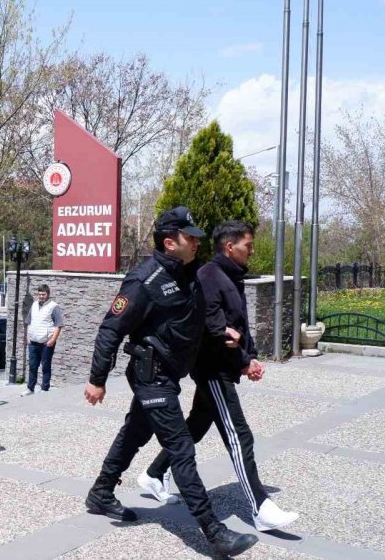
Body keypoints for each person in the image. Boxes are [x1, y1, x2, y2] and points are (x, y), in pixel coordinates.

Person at [83, 206, 258, 557]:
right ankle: (213, 531)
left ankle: (100, 493)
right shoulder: (144, 281)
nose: (196, 242)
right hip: (152, 377)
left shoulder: (188, 275)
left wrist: (222, 338)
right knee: (181, 448)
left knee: (135, 432)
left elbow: (193, 323)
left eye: (196, 237)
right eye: (189, 238)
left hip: (169, 375)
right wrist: (97, 379)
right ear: (169, 242)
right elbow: (110, 329)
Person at [139, 221, 299, 532]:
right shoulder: (209, 276)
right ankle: (260, 506)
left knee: (197, 425)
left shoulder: (231, 276)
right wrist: (242, 361)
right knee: (239, 435)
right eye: (247, 246)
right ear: (230, 246)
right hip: (212, 368)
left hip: (224, 365)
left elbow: (238, 324)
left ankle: (154, 474)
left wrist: (248, 357)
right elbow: (214, 328)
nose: (252, 251)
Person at [25, 284, 63, 393]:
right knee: (32, 366)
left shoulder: (54, 306)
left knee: (45, 366)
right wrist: (28, 337)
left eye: (43, 294)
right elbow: (28, 322)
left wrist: (52, 340)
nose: (41, 296)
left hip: (46, 343)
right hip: (33, 342)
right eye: (39, 294)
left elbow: (58, 325)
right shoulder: (34, 305)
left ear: (48, 294)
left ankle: (44, 388)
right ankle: (30, 388)